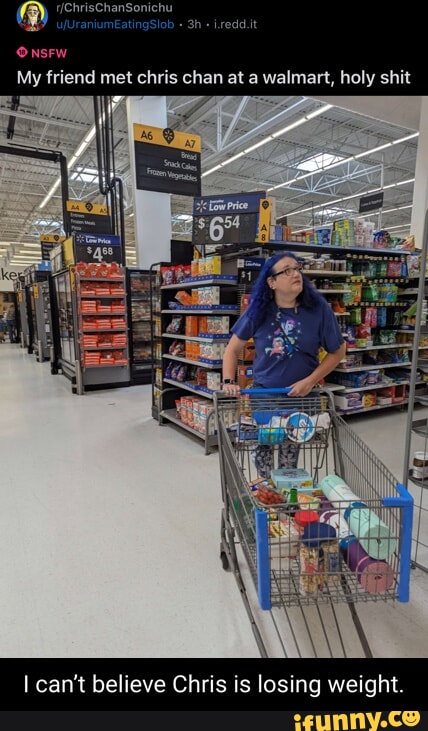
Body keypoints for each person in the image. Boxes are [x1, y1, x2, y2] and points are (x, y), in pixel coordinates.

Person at [221, 251, 346, 476]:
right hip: (265, 396)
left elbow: (338, 351)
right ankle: (266, 495)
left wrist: (310, 381)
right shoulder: (258, 312)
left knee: (291, 453)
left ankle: (286, 500)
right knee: (263, 452)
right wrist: (228, 381)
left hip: (301, 398)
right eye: (286, 271)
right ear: (272, 282)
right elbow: (232, 349)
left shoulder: (319, 310)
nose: (295, 274)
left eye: (297, 268)